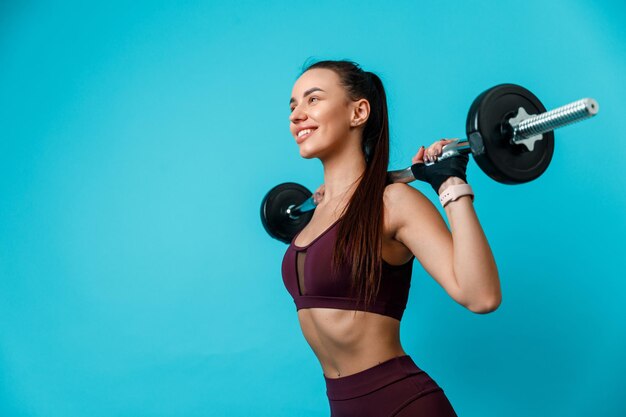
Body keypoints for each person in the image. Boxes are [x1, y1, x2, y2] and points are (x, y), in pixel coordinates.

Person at [282, 60, 501, 416]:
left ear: (359, 112)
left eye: (313, 100)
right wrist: (332, 197)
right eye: (292, 106)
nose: (296, 115)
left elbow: (482, 296)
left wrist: (450, 184)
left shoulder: (393, 202)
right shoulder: (315, 209)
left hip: (402, 405)